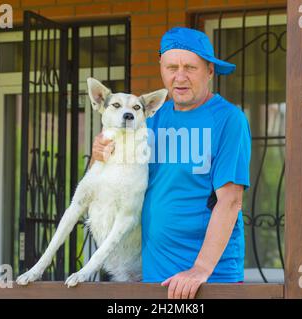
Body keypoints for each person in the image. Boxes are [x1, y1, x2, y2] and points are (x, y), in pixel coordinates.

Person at [91, 27, 251, 299]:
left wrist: (199, 270)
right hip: (154, 275)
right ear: (161, 69)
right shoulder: (149, 118)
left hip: (210, 277)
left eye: (190, 67)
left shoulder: (228, 120)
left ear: (210, 71)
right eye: (171, 67)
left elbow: (231, 201)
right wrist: (101, 152)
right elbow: (117, 176)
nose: (180, 77)